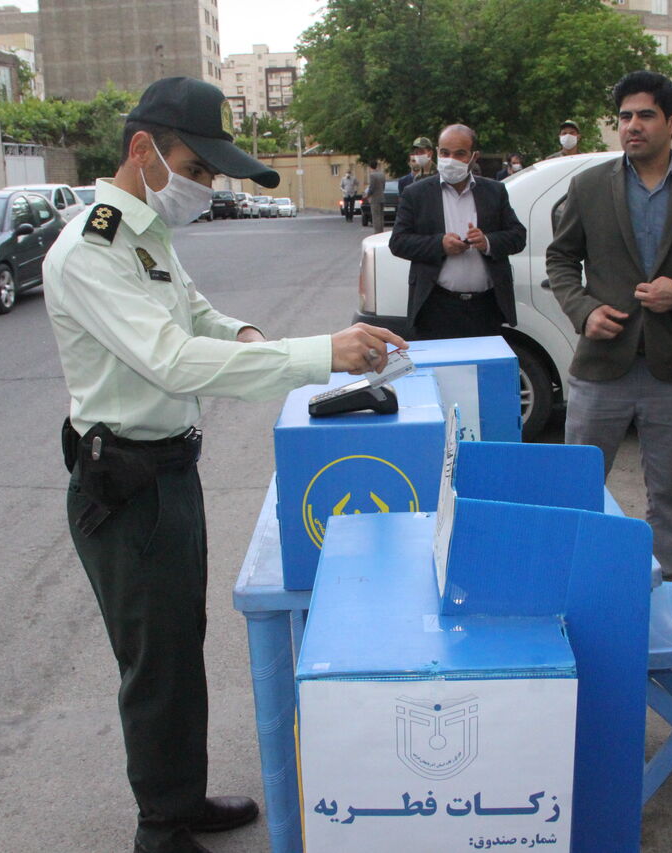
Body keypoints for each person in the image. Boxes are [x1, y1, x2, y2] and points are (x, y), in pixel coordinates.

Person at [41, 77, 407, 853]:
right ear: (143, 151)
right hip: (126, 486)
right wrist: (317, 354)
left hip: (168, 472)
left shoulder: (146, 236)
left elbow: (196, 316)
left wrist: (252, 339)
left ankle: (181, 795)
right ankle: (161, 827)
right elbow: (171, 359)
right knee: (155, 663)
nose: (205, 188)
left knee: (181, 641)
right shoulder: (92, 249)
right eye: (197, 169)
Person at [545, 70, 672, 578]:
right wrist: (584, 310)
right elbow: (560, 260)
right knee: (579, 489)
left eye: (645, 116)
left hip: (670, 370)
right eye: (625, 117)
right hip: (600, 367)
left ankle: (662, 591)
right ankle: (578, 582)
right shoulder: (589, 186)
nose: (632, 126)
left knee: (667, 496)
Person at [388, 123, 526, 340]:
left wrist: (487, 242)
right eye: (445, 153)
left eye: (460, 154)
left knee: (483, 372)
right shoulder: (416, 194)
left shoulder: (494, 191)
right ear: (437, 153)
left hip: (485, 308)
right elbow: (398, 242)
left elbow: (518, 236)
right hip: (436, 308)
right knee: (441, 372)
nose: (451, 160)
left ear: (474, 157)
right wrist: (439, 245)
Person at [363, 159, 386, 233]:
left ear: (370, 167)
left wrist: (367, 195)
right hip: (382, 197)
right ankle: (381, 231)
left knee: (375, 217)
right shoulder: (382, 174)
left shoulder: (372, 175)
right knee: (381, 216)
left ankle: (377, 232)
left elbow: (371, 187)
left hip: (375, 198)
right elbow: (383, 186)